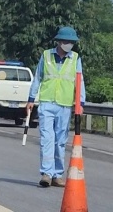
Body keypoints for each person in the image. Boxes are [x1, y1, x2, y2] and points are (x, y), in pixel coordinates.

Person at [26, 26, 86, 188]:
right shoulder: (46, 56)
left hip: (64, 105)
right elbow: (38, 78)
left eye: (71, 42)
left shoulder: (75, 59)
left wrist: (80, 103)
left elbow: (79, 82)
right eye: (66, 41)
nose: (69, 44)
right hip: (46, 103)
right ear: (59, 42)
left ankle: (57, 175)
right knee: (47, 139)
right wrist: (31, 99)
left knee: (60, 141)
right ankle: (46, 173)